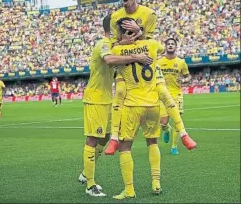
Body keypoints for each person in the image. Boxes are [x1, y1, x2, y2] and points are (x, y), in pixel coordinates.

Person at [79, 14, 151, 197]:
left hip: (106, 100)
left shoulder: (113, 46)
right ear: (112, 29)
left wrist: (131, 40)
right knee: (93, 139)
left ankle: (86, 172)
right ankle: (90, 184)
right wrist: (136, 56)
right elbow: (110, 60)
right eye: (121, 29)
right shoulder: (102, 44)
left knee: (106, 137)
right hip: (95, 98)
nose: (123, 33)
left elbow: (121, 49)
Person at [110, 18, 165, 199]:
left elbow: (109, 59)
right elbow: (163, 49)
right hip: (153, 104)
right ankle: (156, 182)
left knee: (125, 146)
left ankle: (129, 190)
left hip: (133, 104)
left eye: (119, 32)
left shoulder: (118, 50)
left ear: (124, 33)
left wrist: (121, 42)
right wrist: (140, 33)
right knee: (152, 142)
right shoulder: (151, 44)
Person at [158, 38, 192, 155]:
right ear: (166, 46)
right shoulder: (159, 62)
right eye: (169, 44)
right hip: (162, 95)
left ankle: (174, 147)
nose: (171, 45)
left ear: (175, 47)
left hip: (176, 94)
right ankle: (166, 129)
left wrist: (184, 79)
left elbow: (188, 77)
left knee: (178, 120)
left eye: (173, 44)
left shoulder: (181, 62)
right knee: (163, 122)